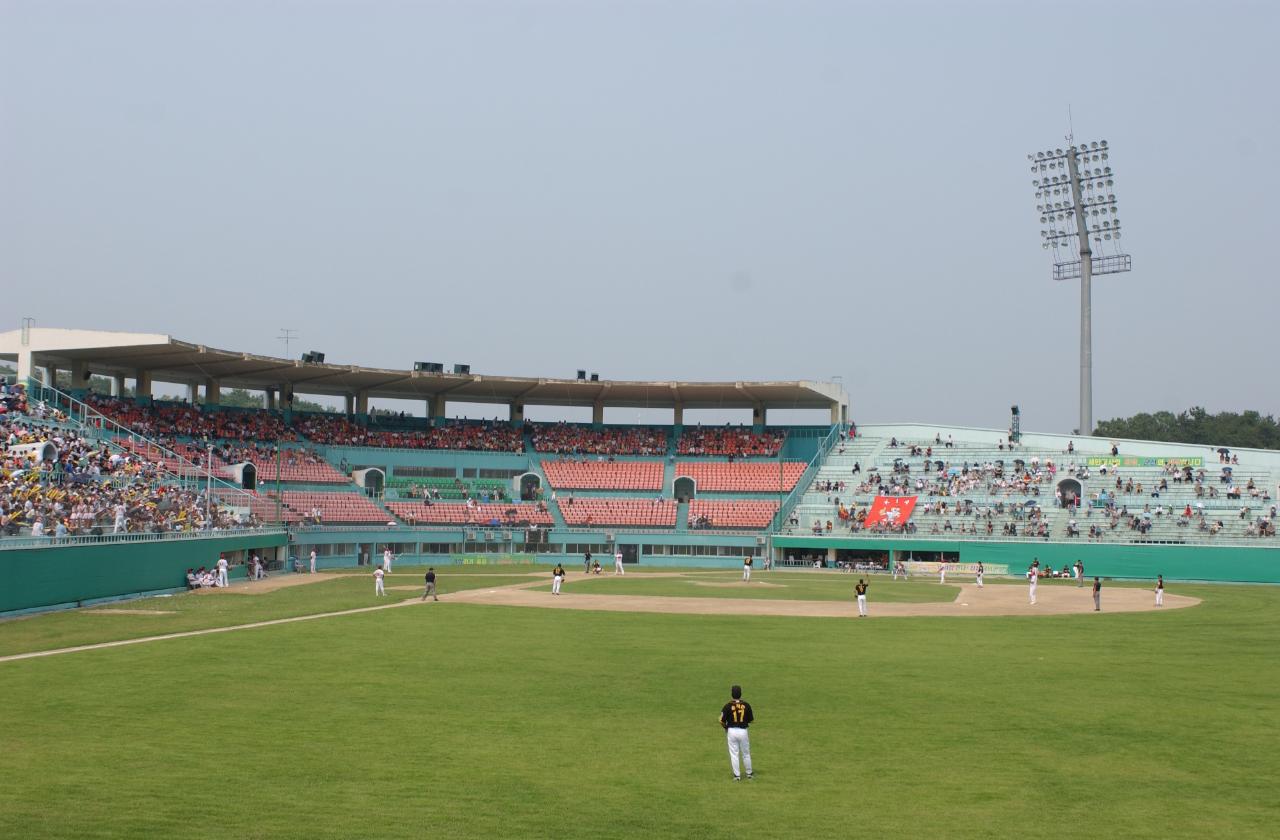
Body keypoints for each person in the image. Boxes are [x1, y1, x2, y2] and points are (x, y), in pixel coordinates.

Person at [719, 685, 754, 781]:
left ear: (732, 694)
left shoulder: (727, 706)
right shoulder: (746, 705)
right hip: (743, 731)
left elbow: (721, 720)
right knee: (746, 753)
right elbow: (751, 720)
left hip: (732, 731)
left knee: (734, 754)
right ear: (741, 694)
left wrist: (726, 727)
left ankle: (737, 776)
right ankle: (749, 773)